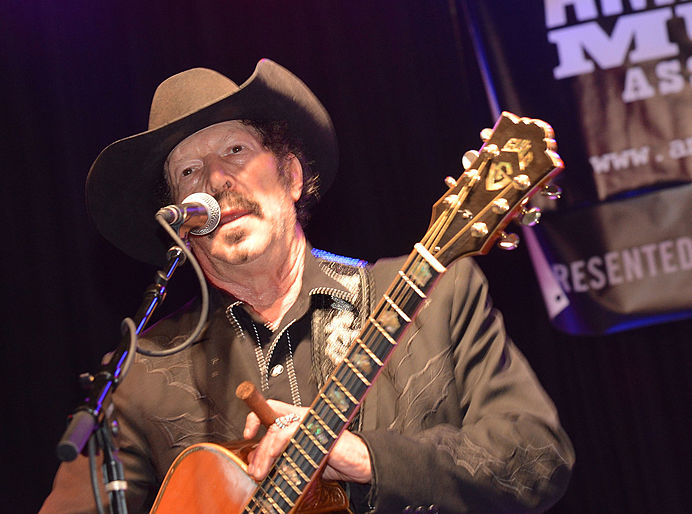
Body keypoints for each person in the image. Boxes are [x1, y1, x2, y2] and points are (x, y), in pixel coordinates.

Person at [41, 59, 574, 513]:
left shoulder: (438, 298)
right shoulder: (144, 374)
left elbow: (536, 457)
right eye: (188, 174)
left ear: (292, 176)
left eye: (235, 152)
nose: (215, 182)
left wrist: (364, 458)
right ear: (178, 223)